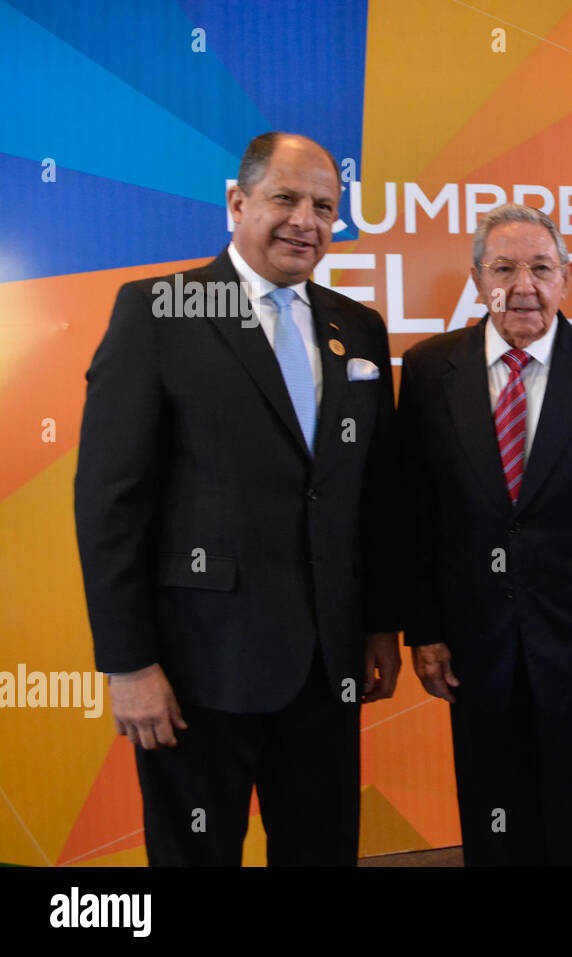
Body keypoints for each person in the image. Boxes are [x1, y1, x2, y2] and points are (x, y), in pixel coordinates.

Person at [74, 132, 402, 866]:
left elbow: (372, 493)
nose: (306, 221)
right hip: (198, 670)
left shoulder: (361, 329)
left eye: (324, 206)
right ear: (236, 201)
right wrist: (128, 665)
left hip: (328, 665)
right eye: (286, 199)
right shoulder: (157, 311)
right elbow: (109, 502)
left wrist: (382, 623)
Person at [398, 203, 572, 866]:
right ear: (476, 278)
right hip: (474, 641)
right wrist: (425, 629)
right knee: (495, 814)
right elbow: (414, 512)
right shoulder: (431, 370)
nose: (524, 284)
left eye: (541, 267)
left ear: (566, 279)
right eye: (504, 267)